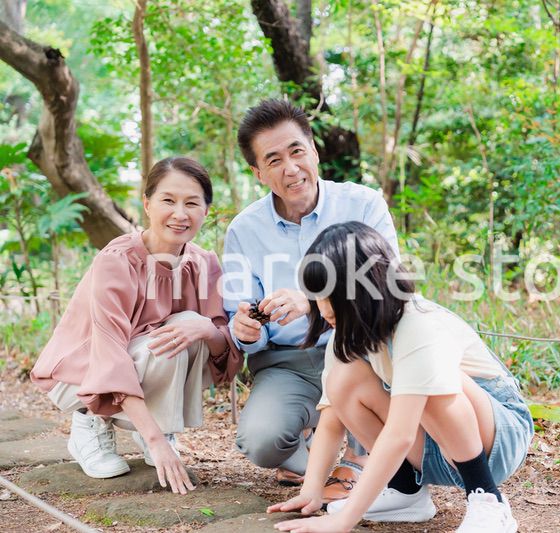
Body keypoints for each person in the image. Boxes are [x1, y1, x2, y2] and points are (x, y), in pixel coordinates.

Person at [269, 221, 534, 533]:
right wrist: (311, 492)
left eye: (328, 295)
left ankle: (487, 499)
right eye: (315, 295)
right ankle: (405, 490)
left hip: (498, 440)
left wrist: (343, 520)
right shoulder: (345, 332)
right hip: (434, 449)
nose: (321, 307)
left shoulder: (417, 322)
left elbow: (400, 434)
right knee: (342, 380)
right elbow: (331, 419)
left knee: (431, 380)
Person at [31, 157, 242, 494]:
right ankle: (90, 422)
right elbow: (109, 354)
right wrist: (156, 441)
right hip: (84, 374)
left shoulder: (204, 263)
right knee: (165, 340)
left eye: (192, 203)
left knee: (192, 326)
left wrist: (206, 329)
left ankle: (153, 425)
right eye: (168, 200)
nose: (180, 213)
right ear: (147, 204)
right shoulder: (117, 260)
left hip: (143, 362)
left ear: (206, 210)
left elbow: (223, 351)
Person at [223, 99, 399, 501]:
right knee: (261, 441)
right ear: (258, 173)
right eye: (274, 160)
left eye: (297, 151)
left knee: (368, 364)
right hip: (290, 361)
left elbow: (388, 287)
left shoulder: (363, 204)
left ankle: (358, 456)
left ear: (314, 151)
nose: (291, 168)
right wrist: (245, 329)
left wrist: (313, 298)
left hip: (360, 349)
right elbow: (242, 317)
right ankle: (311, 436)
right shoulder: (244, 230)